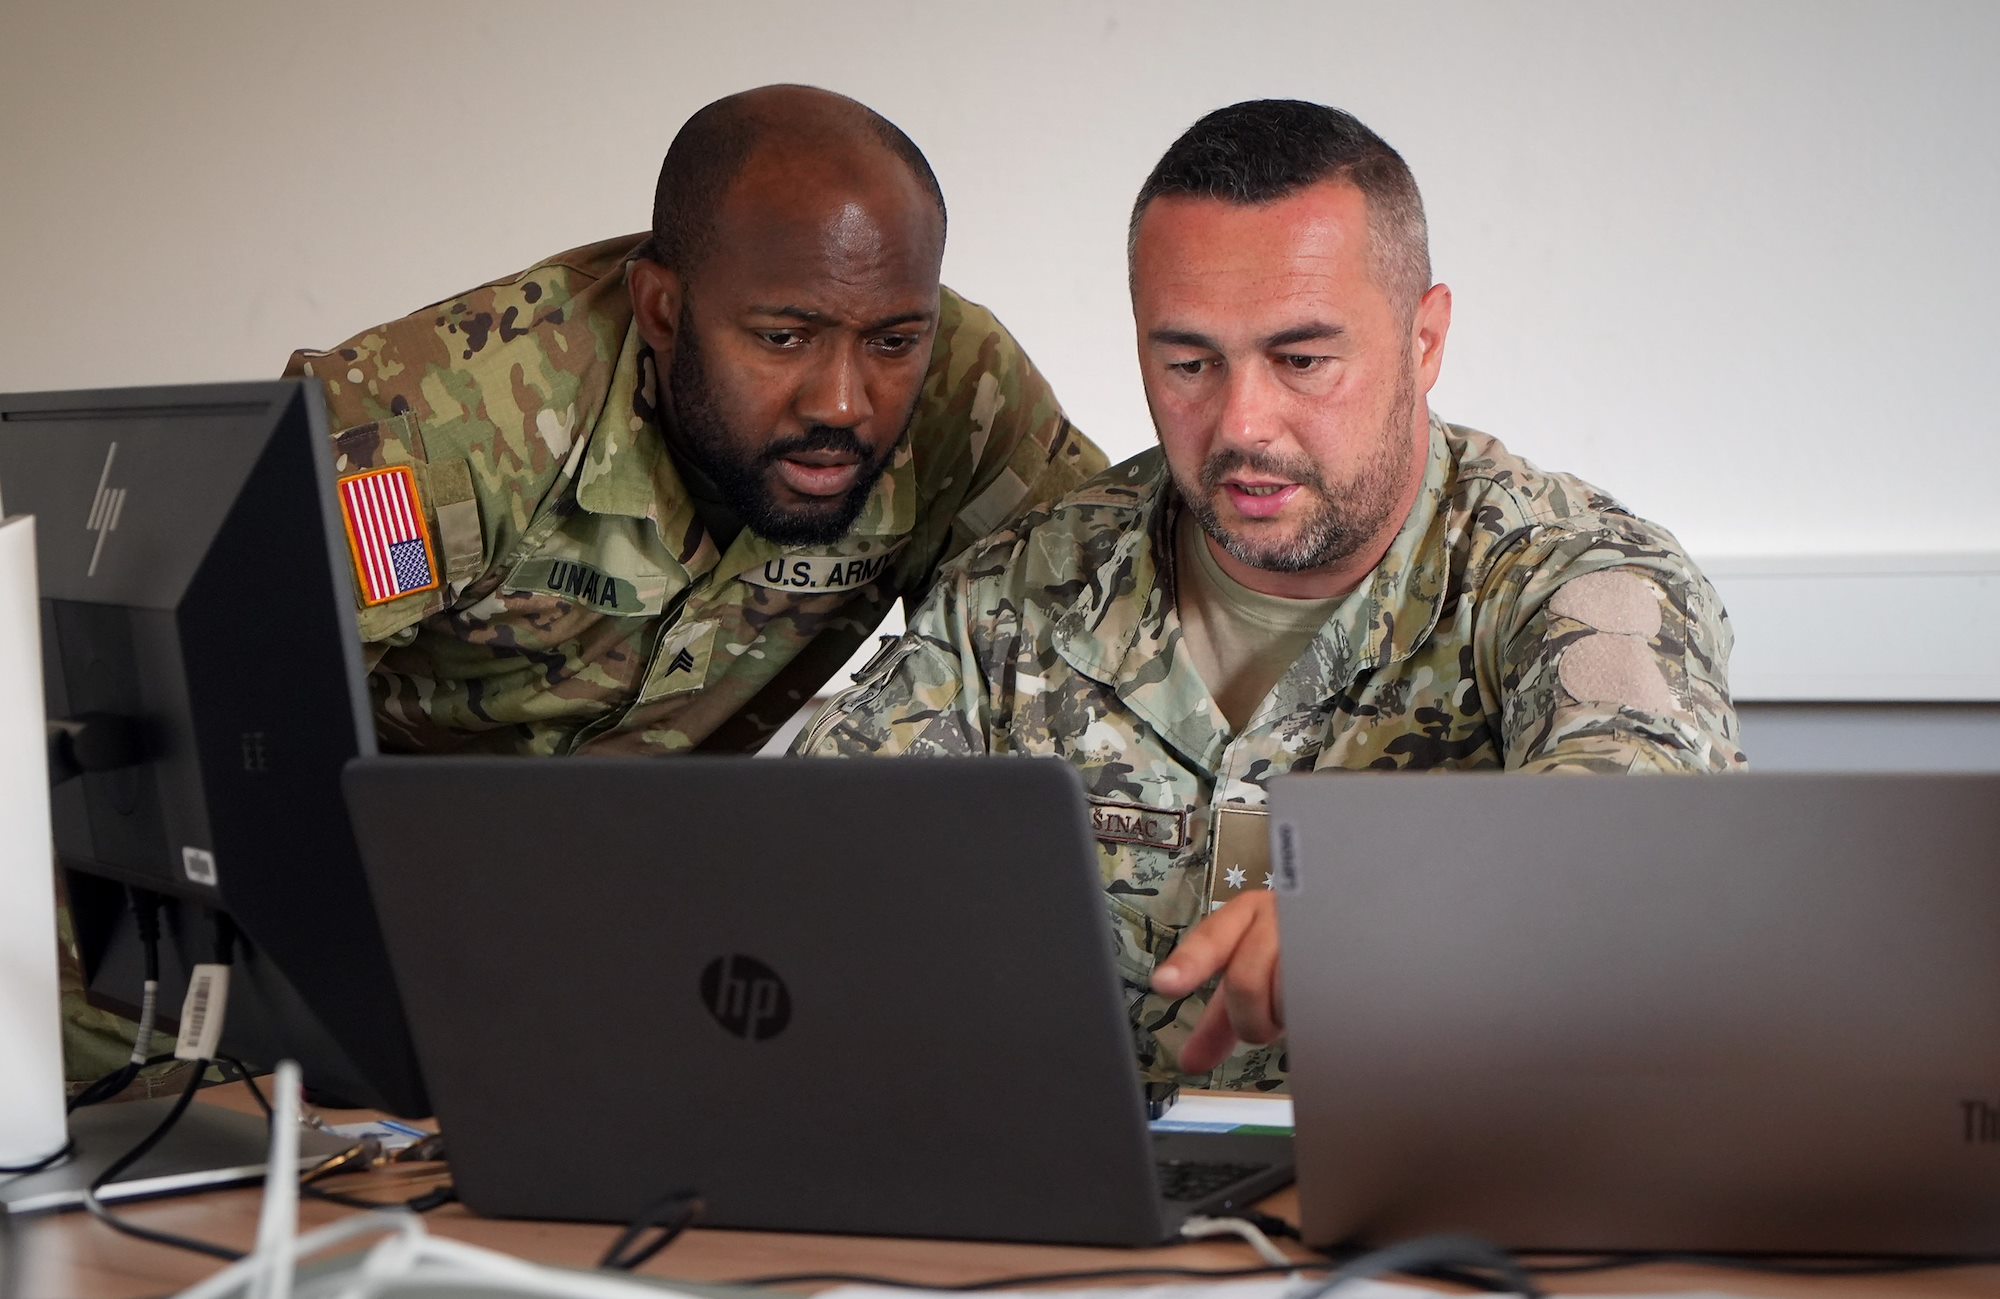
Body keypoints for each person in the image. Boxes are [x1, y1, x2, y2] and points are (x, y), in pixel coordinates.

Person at [796, 100, 1746, 1091]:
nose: (1242, 423)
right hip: (1098, 1178)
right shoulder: (1025, 587)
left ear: (1424, 340)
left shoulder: (1576, 577)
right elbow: (810, 856)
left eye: (1301, 361)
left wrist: (1383, 894)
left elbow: (1644, 833)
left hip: (1434, 1176)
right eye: (1188, 364)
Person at [285, 85, 1104, 755]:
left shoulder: (964, 389)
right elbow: (251, 717)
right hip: (395, 845)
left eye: (893, 342)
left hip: (683, 867)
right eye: (784, 338)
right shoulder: (446, 426)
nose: (843, 404)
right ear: (662, 310)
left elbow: (1117, 622)